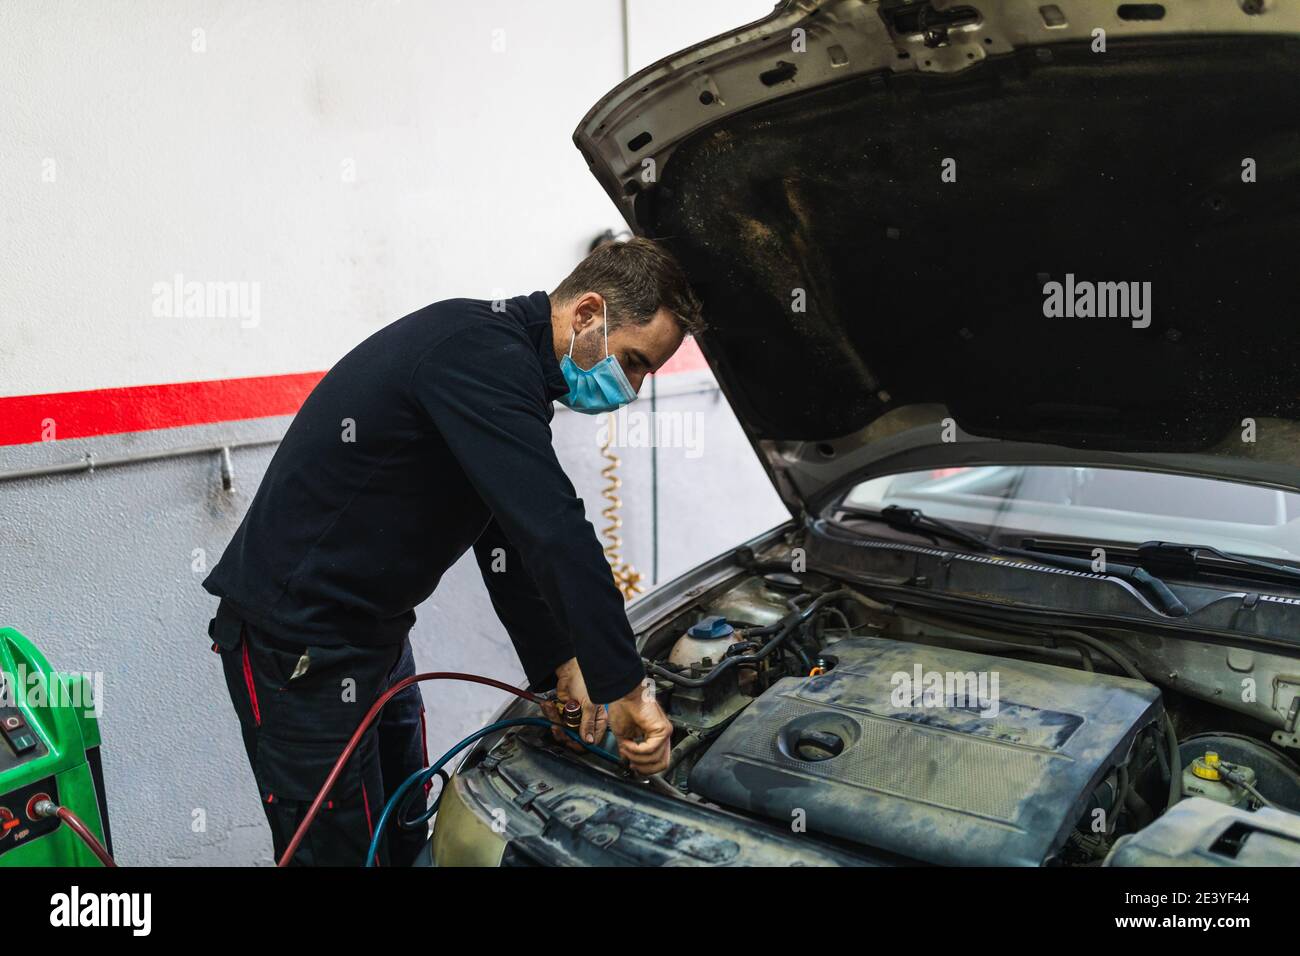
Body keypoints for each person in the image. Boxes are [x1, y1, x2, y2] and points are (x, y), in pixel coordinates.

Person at [203, 237, 703, 865]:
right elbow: (554, 530)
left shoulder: (506, 369)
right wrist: (627, 688)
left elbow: (511, 541)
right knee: (340, 856)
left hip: (376, 639)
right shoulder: (476, 354)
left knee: (407, 827)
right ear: (586, 314)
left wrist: (562, 665)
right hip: (297, 647)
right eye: (632, 362)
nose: (629, 389)